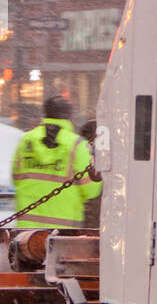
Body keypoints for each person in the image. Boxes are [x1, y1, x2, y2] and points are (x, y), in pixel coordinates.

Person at [12, 96, 101, 230]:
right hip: (64, 229)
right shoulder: (76, 144)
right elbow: (91, 190)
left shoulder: (26, 140)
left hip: (27, 229)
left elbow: (16, 178)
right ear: (69, 115)